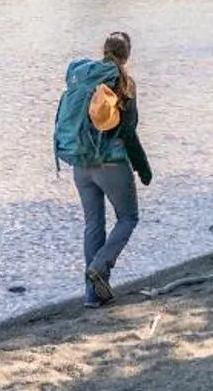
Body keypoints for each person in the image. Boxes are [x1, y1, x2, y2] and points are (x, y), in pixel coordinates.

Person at [52, 29, 152, 306]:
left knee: (93, 225)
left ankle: (91, 297)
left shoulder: (83, 76)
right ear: (127, 55)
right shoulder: (124, 83)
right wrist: (144, 169)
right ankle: (100, 265)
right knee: (128, 217)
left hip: (81, 164)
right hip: (111, 164)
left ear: (103, 50)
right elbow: (128, 133)